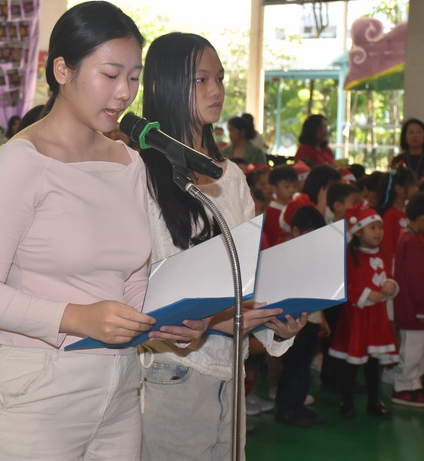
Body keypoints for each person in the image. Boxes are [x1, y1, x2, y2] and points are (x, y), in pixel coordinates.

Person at [0, 1, 200, 460]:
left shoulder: (128, 162)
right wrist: (76, 317)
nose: (124, 93)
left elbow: (130, 280)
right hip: (35, 389)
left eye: (134, 77)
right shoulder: (22, 161)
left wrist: (167, 321)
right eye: (110, 75)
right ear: (62, 70)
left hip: (119, 387)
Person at [136, 32, 305, 460]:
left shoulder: (231, 177)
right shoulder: (138, 172)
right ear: (163, 85)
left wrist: (275, 321)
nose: (216, 90)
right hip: (173, 371)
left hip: (231, 367)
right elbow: (146, 284)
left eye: (221, 78)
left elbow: (245, 275)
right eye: (201, 79)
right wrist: (216, 321)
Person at [329, 203, 398, 419]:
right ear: (358, 232)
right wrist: (366, 293)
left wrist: (390, 284)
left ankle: (374, 402)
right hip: (356, 319)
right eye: (372, 228)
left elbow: (387, 276)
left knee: (373, 363)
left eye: (380, 227)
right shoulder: (350, 256)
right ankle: (346, 401)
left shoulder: (383, 255)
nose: (378, 232)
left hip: (376, 318)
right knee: (351, 362)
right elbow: (343, 285)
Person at [274, 205, 328, 427]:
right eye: (310, 233)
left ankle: (298, 405)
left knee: (304, 366)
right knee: (294, 367)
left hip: (312, 320)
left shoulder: (315, 256)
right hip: (294, 323)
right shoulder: (285, 255)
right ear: (295, 231)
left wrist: (322, 318)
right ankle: (286, 409)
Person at [391, 192, 424, 408]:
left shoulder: (411, 238)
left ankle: (414, 385)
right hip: (415, 311)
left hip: (418, 310)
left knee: (420, 351)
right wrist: (423, 308)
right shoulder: (410, 241)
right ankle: (403, 387)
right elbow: (416, 279)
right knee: (413, 351)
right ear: (423, 219)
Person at [377, 166, 418, 263]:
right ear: (399, 189)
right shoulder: (390, 215)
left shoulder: (410, 211)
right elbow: (387, 246)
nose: (417, 189)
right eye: (413, 185)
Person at [264, 165, 298, 246]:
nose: (292, 190)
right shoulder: (268, 213)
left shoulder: (298, 208)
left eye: (295, 186)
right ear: (273, 188)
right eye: (287, 187)